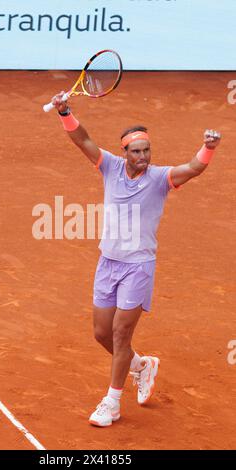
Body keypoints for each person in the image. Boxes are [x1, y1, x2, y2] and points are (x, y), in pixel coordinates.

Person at [51, 91, 221, 427]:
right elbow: (81, 138)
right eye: (137, 151)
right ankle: (142, 365)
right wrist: (64, 111)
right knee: (101, 333)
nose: (143, 156)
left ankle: (112, 403)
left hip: (138, 267)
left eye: (147, 150)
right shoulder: (110, 166)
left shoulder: (160, 178)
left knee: (119, 334)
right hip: (108, 262)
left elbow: (194, 168)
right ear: (125, 152)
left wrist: (209, 148)